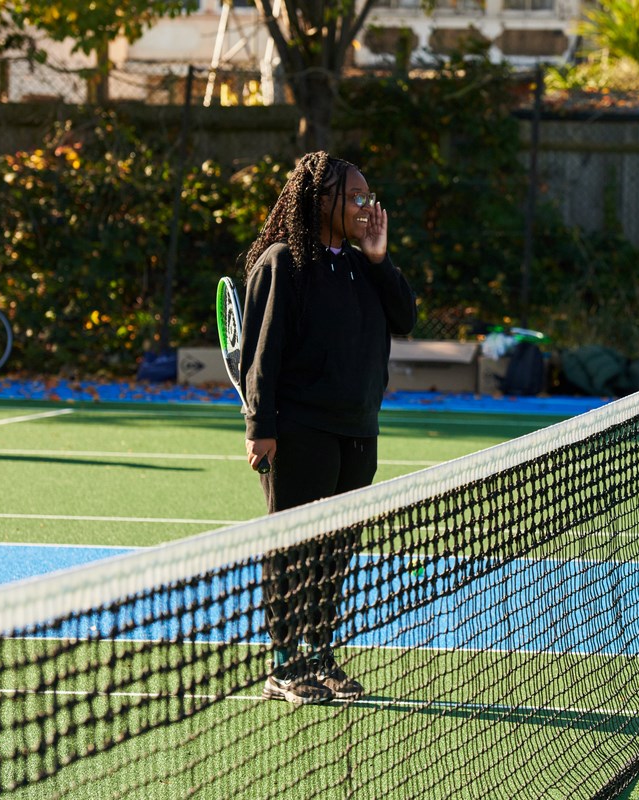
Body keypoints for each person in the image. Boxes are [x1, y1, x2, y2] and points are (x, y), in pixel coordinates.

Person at [239, 151, 416, 705]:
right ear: (323, 203)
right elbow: (261, 353)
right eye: (356, 198)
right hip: (300, 430)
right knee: (292, 547)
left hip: (359, 429)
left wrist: (381, 259)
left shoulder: (365, 264)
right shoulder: (282, 262)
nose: (367, 207)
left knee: (335, 550)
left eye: (370, 197)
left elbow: (405, 318)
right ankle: (285, 664)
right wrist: (259, 426)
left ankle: (320, 654)